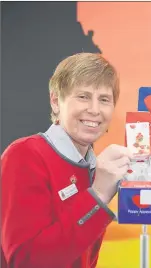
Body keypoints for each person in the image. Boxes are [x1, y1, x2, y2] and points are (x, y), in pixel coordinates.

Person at [1, 53, 133, 268]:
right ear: (55, 101)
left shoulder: (92, 166)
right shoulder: (25, 155)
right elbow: (25, 261)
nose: (94, 109)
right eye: (83, 96)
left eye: (104, 99)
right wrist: (98, 195)